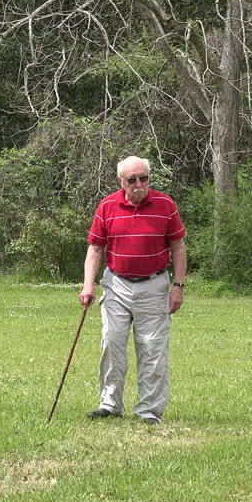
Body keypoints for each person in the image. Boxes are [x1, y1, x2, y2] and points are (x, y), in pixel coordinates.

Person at [78, 156, 186, 425]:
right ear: (120, 182)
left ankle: (149, 410)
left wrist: (178, 286)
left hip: (154, 284)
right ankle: (110, 404)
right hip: (116, 284)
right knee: (112, 343)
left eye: (144, 178)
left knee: (152, 348)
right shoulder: (107, 206)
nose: (139, 184)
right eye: (132, 180)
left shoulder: (165, 204)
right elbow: (95, 249)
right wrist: (88, 285)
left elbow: (178, 247)